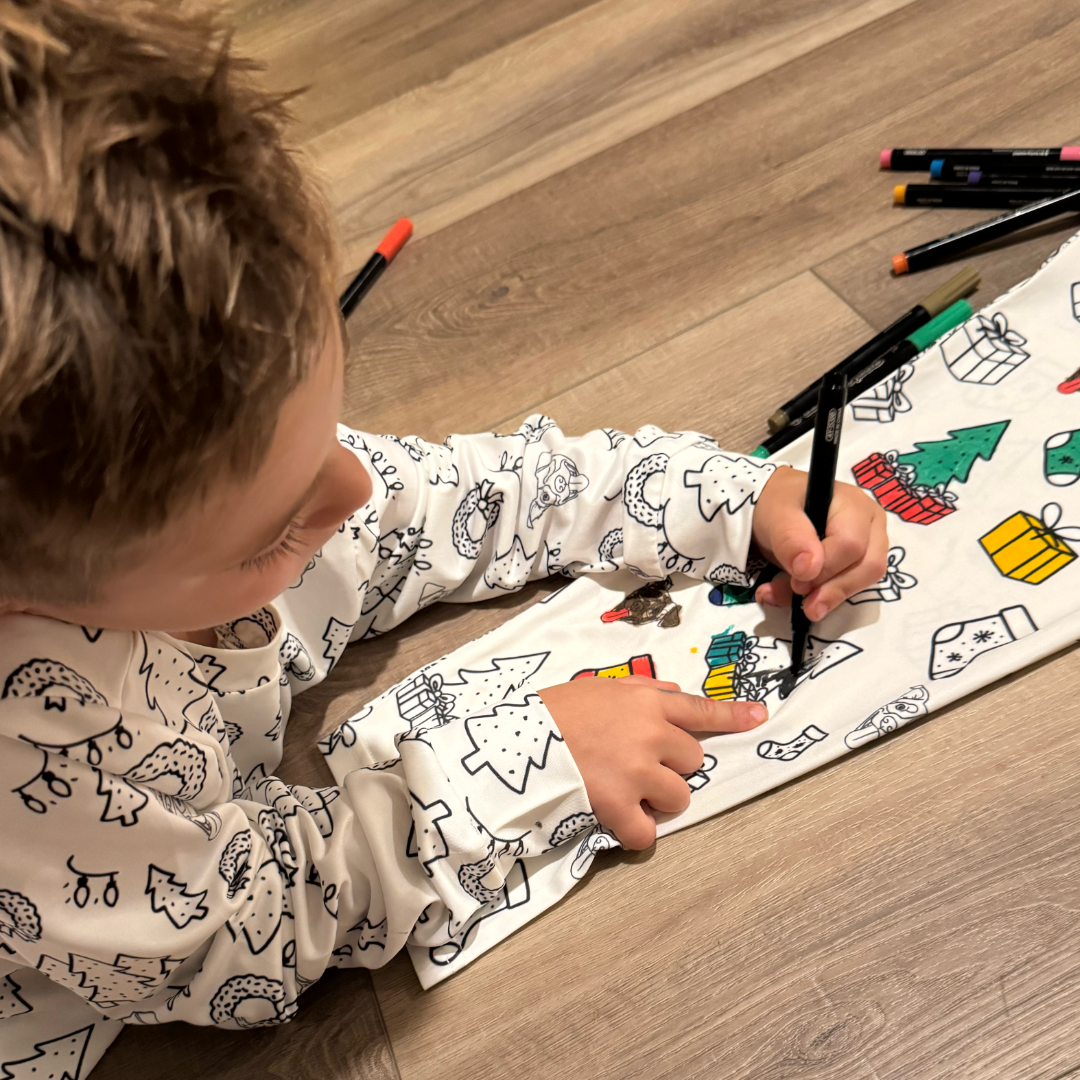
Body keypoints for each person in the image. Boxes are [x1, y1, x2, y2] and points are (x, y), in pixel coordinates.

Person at [0, 0, 888, 1072]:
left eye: (326, 428)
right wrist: (526, 762)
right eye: (271, 527)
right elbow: (239, 937)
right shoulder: (27, 756)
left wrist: (719, 496)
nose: (354, 486)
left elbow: (452, 495)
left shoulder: (188, 491)